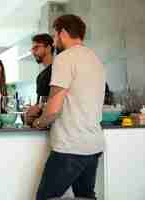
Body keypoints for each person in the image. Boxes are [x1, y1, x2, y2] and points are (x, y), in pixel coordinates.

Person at [33, 14, 106, 199]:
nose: (55, 40)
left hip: (70, 147)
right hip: (93, 146)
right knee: (85, 196)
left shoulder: (65, 58)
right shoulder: (95, 59)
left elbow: (54, 108)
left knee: (45, 197)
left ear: (63, 32)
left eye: (55, 35)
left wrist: (39, 122)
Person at [25, 33, 57, 126]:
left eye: (36, 48)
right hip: (44, 125)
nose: (33, 52)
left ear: (48, 48)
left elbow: (54, 103)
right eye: (32, 49)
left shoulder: (57, 70)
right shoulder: (40, 76)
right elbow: (40, 104)